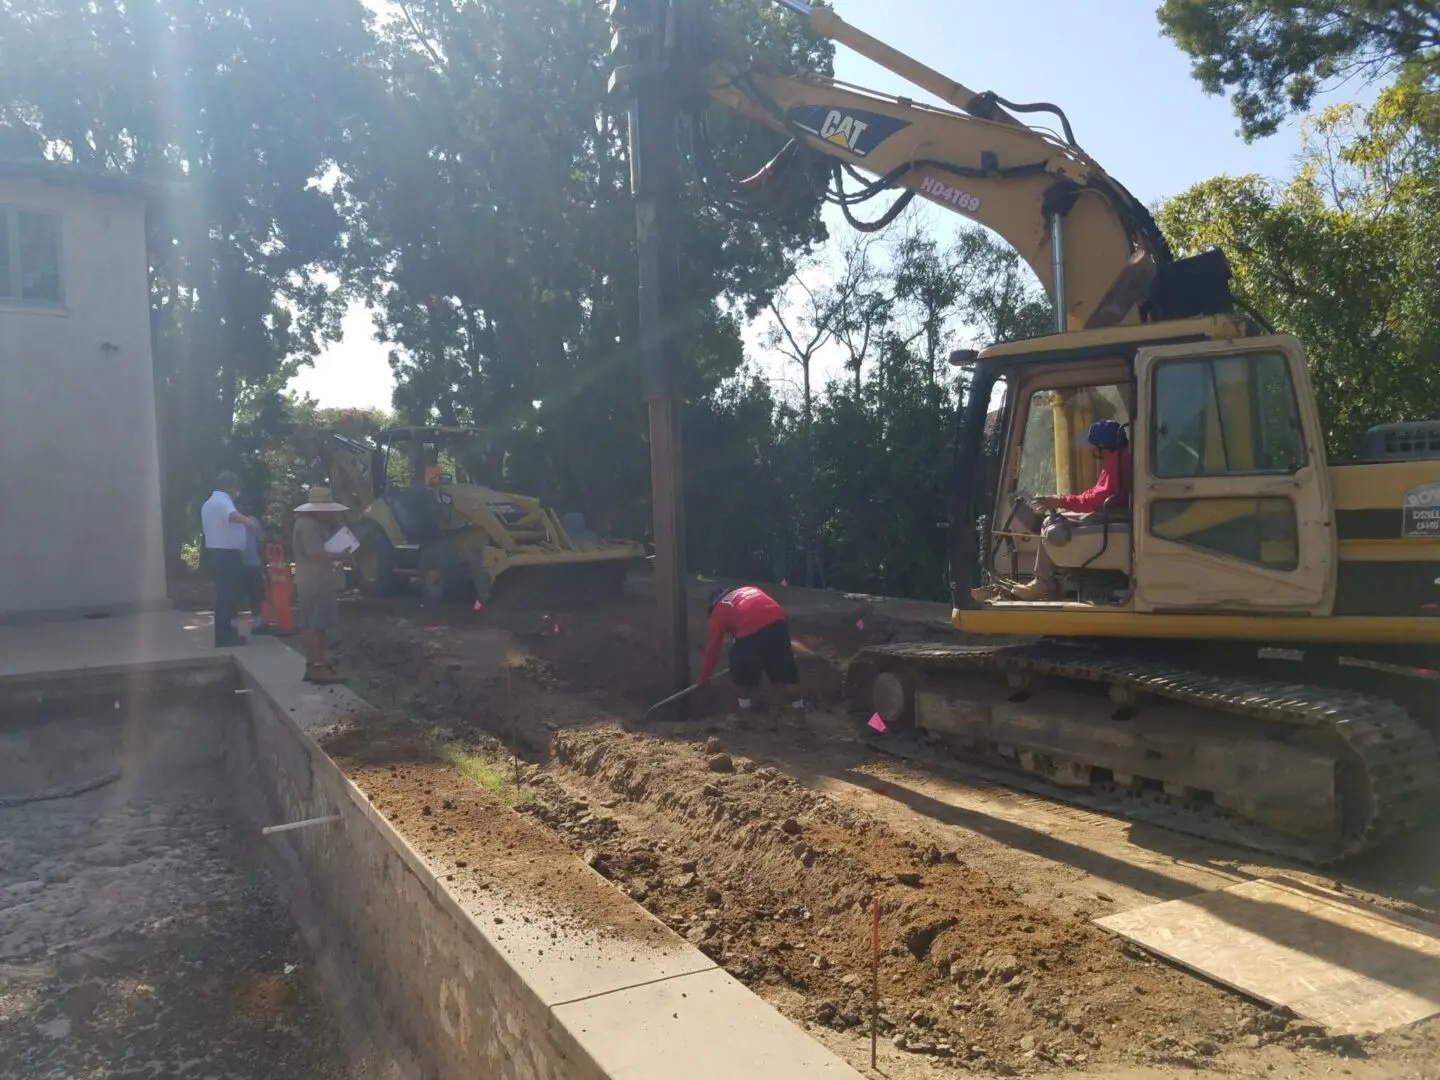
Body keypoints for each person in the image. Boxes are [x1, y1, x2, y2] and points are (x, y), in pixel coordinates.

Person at [1007, 419, 1131, 601]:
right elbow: (1096, 493)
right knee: (1058, 516)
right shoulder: (1120, 457)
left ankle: (1044, 582)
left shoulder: (1117, 463)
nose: (1090, 450)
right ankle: (1056, 579)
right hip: (1113, 512)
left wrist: (1058, 501)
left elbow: (1096, 499)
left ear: (1103, 446)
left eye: (1093, 445)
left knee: (1052, 524)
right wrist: (1063, 501)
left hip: (1111, 515)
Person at [699, 585, 804, 711]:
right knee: (786, 673)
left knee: (740, 672)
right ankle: (797, 714)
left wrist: (704, 678)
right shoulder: (748, 589)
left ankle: (746, 713)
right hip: (778, 622)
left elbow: (713, 648)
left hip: (750, 627)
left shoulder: (718, 609)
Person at [292, 485, 351, 684]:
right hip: (316, 583)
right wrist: (342, 555)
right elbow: (316, 555)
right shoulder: (308, 526)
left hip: (312, 582)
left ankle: (313, 665)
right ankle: (319, 667)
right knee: (317, 626)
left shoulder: (311, 524)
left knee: (310, 624)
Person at [200, 472, 259, 648]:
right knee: (228, 597)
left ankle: (228, 632)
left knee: (226, 596)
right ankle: (225, 636)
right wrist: (247, 521)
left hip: (218, 554)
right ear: (231, 486)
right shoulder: (222, 500)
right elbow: (232, 515)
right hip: (226, 556)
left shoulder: (209, 503)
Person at [237, 498, 271, 636]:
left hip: (254, 563)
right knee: (236, 597)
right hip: (237, 564)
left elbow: (259, 543)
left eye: (249, 504)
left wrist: (263, 563)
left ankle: (257, 625)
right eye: (244, 504)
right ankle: (232, 625)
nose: (247, 507)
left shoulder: (254, 521)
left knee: (256, 595)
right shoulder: (233, 521)